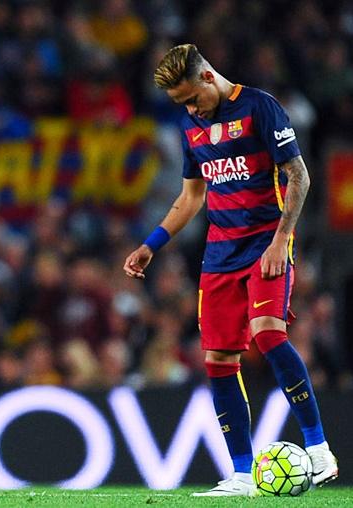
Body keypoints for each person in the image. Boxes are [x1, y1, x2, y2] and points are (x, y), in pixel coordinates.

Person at [123, 44, 338, 497]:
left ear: (206, 78)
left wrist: (282, 239)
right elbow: (191, 197)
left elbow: (299, 175)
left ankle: (318, 447)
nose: (188, 109)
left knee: (268, 333)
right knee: (219, 359)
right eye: (180, 104)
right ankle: (242, 473)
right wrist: (151, 245)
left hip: (266, 241)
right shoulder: (191, 125)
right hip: (220, 253)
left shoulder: (261, 107)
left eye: (189, 98)